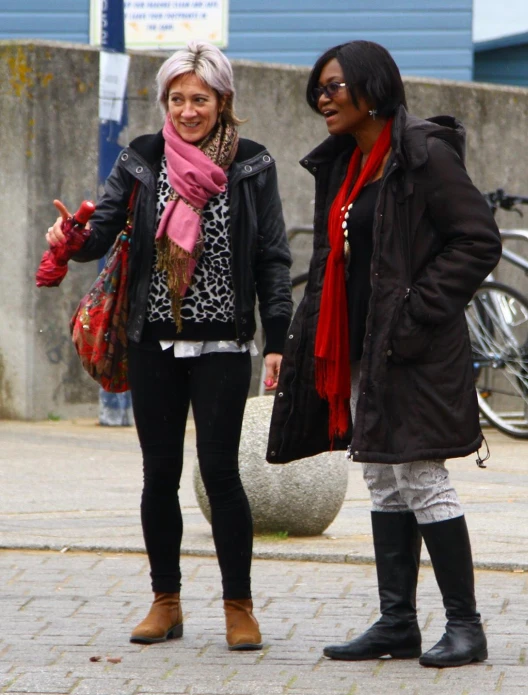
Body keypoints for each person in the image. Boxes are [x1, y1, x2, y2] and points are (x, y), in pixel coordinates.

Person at [46, 41, 292, 650]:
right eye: (177, 98)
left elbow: (272, 258)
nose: (187, 110)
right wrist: (70, 238)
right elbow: (101, 230)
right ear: (165, 101)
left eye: (200, 99)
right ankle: (166, 601)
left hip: (224, 346)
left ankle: (239, 606)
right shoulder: (142, 158)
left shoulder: (253, 165)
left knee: (221, 473)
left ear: (223, 101)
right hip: (153, 341)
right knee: (159, 474)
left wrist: (277, 339)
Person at [266, 40, 502, 668]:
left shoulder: (423, 153)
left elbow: (477, 240)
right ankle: (398, 622)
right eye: (318, 88)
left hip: (414, 348)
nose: (323, 98)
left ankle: (465, 627)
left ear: (373, 88)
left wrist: (414, 311)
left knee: (422, 477)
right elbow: (337, 263)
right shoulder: (350, 162)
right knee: (382, 478)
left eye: (334, 86)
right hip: (364, 348)